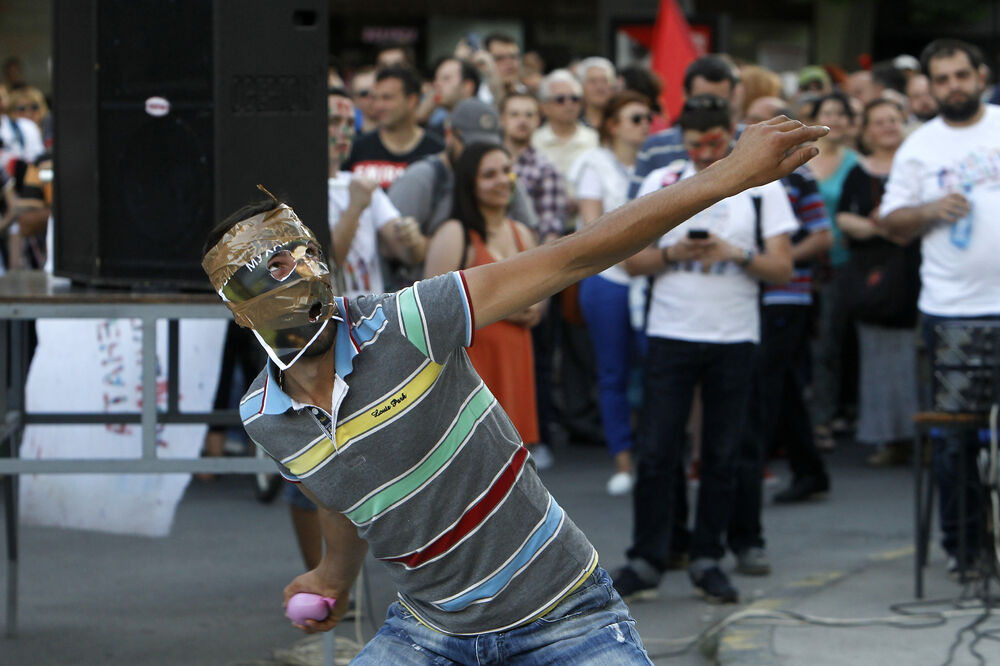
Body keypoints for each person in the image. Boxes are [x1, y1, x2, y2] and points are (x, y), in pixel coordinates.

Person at [200, 114, 826, 660]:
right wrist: (333, 576)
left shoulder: (408, 320)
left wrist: (728, 175)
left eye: (307, 250)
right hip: (429, 629)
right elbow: (341, 490)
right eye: (275, 266)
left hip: (564, 613)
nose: (305, 271)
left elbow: (574, 256)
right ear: (238, 305)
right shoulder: (264, 415)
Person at [614, 95, 796, 604]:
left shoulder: (760, 186)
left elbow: (782, 268)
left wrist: (733, 253)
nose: (702, 154)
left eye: (713, 144)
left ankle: (708, 557)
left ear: (731, 135)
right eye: (694, 145)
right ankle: (647, 556)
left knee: (723, 453)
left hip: (733, 335)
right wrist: (673, 252)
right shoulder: (663, 181)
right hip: (672, 330)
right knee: (656, 449)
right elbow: (630, 261)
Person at [878, 38, 1000, 577]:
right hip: (952, 312)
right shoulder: (919, 146)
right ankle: (966, 548)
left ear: (981, 75)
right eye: (942, 79)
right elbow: (891, 224)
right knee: (954, 437)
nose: (953, 87)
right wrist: (929, 209)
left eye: (960, 76)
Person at [423, 142, 544, 463]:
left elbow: (539, 295)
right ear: (469, 184)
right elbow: (429, 312)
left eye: (506, 170)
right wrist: (505, 305)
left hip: (516, 361)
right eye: (489, 174)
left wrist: (534, 308)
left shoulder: (522, 233)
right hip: (472, 370)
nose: (503, 180)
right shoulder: (453, 234)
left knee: (516, 465)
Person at [568, 91, 652, 495]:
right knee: (613, 372)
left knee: (656, 371)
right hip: (609, 281)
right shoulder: (595, 164)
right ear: (613, 125)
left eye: (648, 118)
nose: (645, 125)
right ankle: (623, 461)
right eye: (636, 118)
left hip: (654, 279)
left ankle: (656, 455)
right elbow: (590, 229)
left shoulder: (659, 164)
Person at [837, 98, 920, 467]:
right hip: (876, 276)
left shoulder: (918, 164)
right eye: (879, 121)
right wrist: (882, 226)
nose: (887, 127)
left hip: (919, 271)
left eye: (893, 120)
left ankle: (928, 436)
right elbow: (842, 219)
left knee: (920, 357)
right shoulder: (859, 171)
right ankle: (890, 438)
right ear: (867, 130)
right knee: (879, 360)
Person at [500, 92, 567, 469]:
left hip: (533, 277)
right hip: (491, 270)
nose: (522, 121)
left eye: (529, 114)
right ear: (503, 118)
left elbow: (552, 233)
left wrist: (537, 288)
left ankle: (536, 440)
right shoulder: (488, 162)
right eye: (515, 113)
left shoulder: (545, 169)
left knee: (536, 363)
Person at [806, 91, 861, 450]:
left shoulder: (858, 163)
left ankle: (823, 419)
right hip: (799, 261)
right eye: (828, 113)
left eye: (842, 114)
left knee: (828, 344)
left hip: (840, 266)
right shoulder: (799, 159)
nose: (835, 120)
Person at [628, 56, 739, 200]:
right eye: (702, 100)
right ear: (685, 95)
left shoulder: (751, 142)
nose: (706, 155)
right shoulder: (655, 147)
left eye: (718, 102)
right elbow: (634, 207)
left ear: (733, 97)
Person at [342, 65, 444, 189]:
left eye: (387, 98)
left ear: (412, 100)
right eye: (375, 98)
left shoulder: (437, 151)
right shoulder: (356, 148)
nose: (378, 106)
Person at [427, 57, 481, 137]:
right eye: (436, 79)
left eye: (446, 78)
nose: (436, 84)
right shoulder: (434, 132)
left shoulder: (483, 128)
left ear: (468, 86)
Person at [577, 57, 616, 130]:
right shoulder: (572, 122)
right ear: (581, 87)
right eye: (592, 81)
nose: (599, 87)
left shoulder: (620, 121)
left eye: (605, 81)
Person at [350, 66, 378, 134]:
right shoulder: (350, 137)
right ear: (354, 100)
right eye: (364, 93)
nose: (372, 96)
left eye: (377, 90)